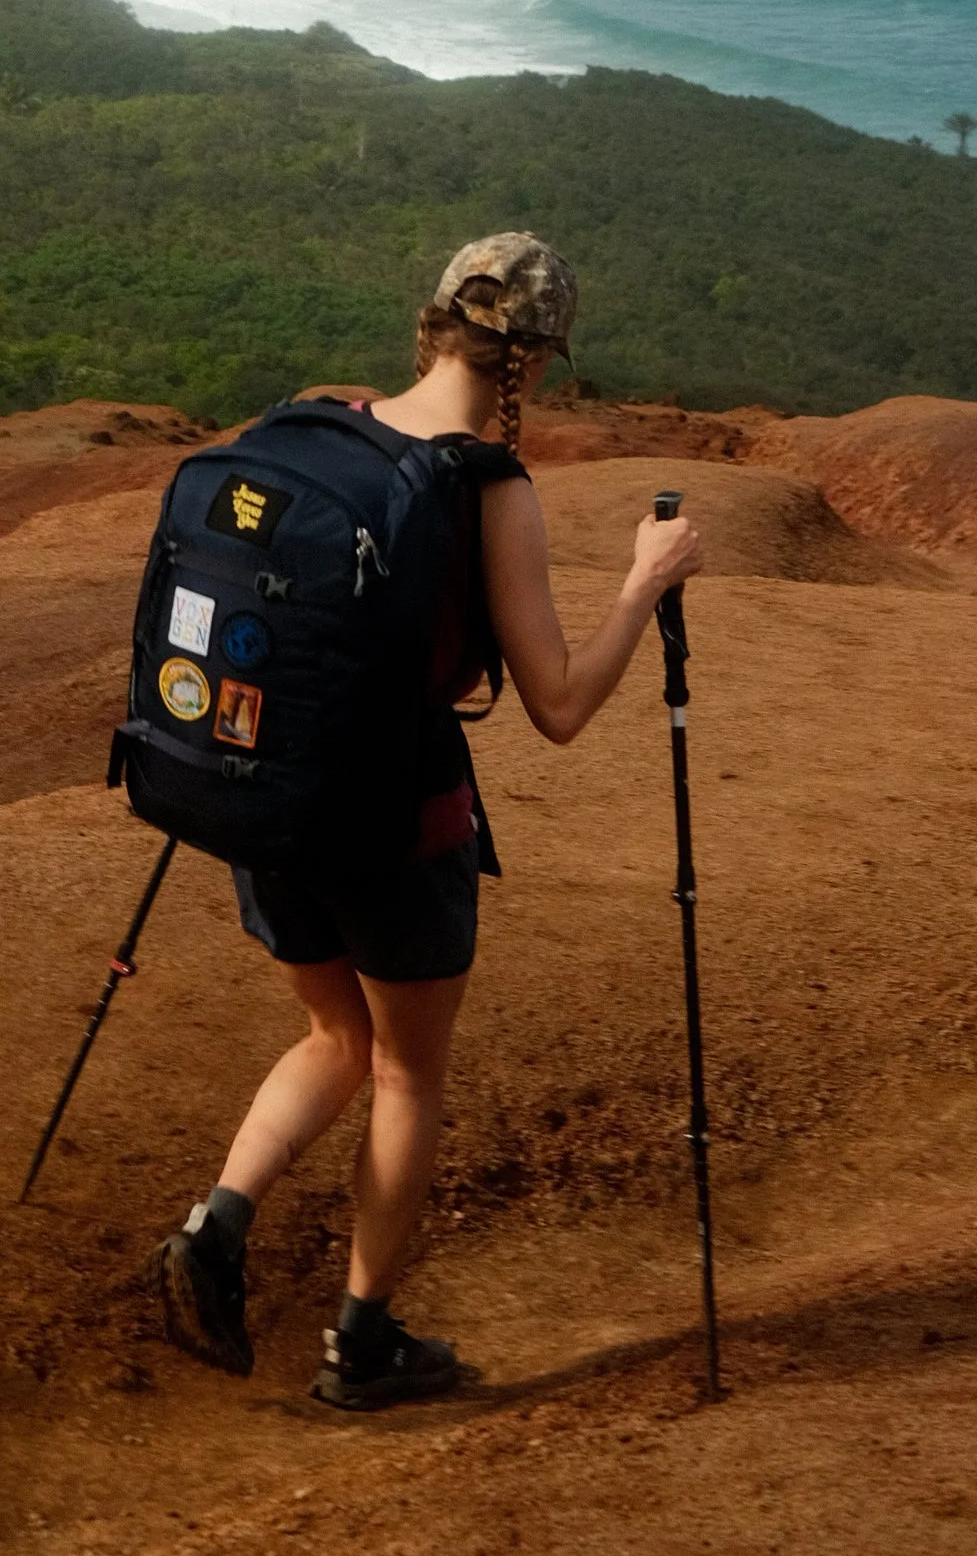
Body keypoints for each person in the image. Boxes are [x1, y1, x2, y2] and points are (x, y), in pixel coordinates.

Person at [162, 230, 706, 1412]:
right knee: (406, 1073)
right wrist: (642, 584)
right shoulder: (485, 486)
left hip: (273, 806)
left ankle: (217, 1224)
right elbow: (557, 705)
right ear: (532, 360)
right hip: (398, 826)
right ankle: (362, 1346)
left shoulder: (319, 422)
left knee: (332, 1041)